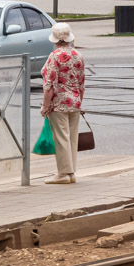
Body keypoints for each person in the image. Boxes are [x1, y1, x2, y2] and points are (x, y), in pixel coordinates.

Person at [40, 23, 86, 184]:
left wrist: (45, 106)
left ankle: (63, 174)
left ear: (54, 39)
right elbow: (81, 83)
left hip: (58, 103)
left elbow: (49, 85)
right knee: (72, 138)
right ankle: (71, 172)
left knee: (61, 138)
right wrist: (79, 100)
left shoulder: (54, 56)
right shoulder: (78, 55)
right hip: (75, 101)